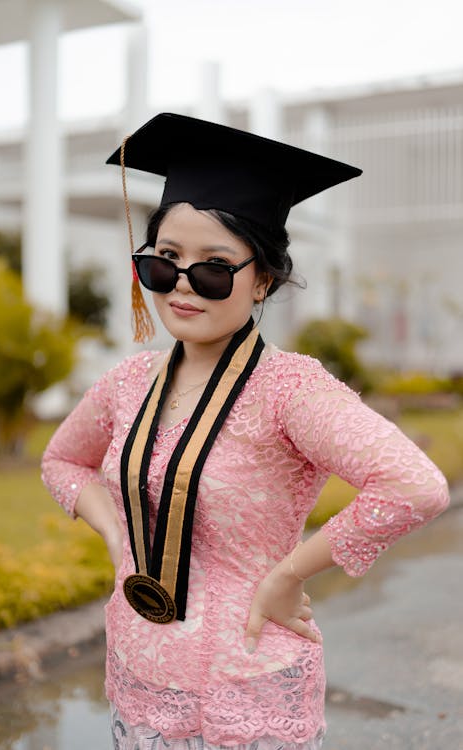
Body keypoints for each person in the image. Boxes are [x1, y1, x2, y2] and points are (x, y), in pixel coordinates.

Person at [41, 113, 450, 750]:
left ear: (261, 279)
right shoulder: (127, 384)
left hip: (249, 685)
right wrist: (117, 533)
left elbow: (414, 486)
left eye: (213, 268)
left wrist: (291, 575)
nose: (181, 285)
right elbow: (61, 462)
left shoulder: (289, 389)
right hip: (141, 671)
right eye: (165, 260)